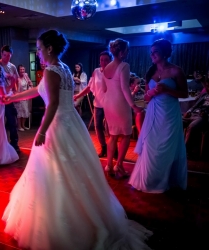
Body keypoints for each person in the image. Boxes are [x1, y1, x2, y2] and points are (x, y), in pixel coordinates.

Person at [2, 29, 152, 250]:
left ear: (49, 48)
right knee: (70, 169)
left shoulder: (53, 71)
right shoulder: (62, 67)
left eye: (41, 48)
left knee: (55, 171)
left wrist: (42, 131)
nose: (40, 52)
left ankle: (66, 222)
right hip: (70, 122)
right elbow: (38, 90)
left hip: (56, 124)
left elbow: (52, 103)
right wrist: (12, 97)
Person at [129, 39, 188, 193]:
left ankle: (166, 181)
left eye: (155, 52)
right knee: (150, 146)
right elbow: (146, 98)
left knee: (166, 146)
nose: (152, 55)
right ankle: (149, 180)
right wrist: (152, 92)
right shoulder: (151, 72)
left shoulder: (176, 71)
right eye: (151, 52)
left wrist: (166, 90)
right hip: (153, 113)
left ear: (164, 52)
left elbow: (184, 93)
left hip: (169, 114)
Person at [102, 38, 143, 178]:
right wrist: (134, 106)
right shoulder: (124, 66)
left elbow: (103, 89)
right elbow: (125, 88)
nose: (128, 52)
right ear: (122, 52)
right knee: (125, 135)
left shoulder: (106, 68)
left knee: (113, 135)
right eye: (127, 50)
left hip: (108, 104)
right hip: (120, 104)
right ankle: (118, 165)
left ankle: (109, 165)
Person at [74, 51, 112, 157]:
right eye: (101, 60)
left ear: (110, 60)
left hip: (110, 104)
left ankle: (113, 149)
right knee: (98, 126)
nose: (103, 62)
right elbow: (89, 87)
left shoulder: (113, 71)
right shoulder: (96, 71)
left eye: (106, 60)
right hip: (98, 104)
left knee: (110, 128)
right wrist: (77, 96)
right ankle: (103, 147)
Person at [0, 45, 20, 153]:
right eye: (5, 55)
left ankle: (14, 144)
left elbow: (16, 80)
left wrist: (15, 91)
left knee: (12, 121)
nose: (6, 58)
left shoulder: (12, 66)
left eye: (9, 56)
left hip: (8, 96)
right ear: (1, 54)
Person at [183, 76, 209, 158]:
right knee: (177, 122)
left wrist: (206, 114)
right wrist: (189, 111)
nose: (207, 88)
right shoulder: (205, 94)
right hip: (194, 114)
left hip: (204, 118)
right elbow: (195, 105)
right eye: (206, 86)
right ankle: (174, 147)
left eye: (208, 86)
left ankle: (185, 151)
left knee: (192, 127)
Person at [15, 64, 33, 131]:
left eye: (23, 69)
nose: (22, 71)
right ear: (18, 70)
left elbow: (30, 83)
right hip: (19, 96)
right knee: (19, 112)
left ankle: (23, 125)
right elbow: (15, 88)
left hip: (26, 95)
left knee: (25, 111)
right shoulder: (16, 77)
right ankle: (19, 126)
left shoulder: (26, 75)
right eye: (20, 69)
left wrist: (30, 87)